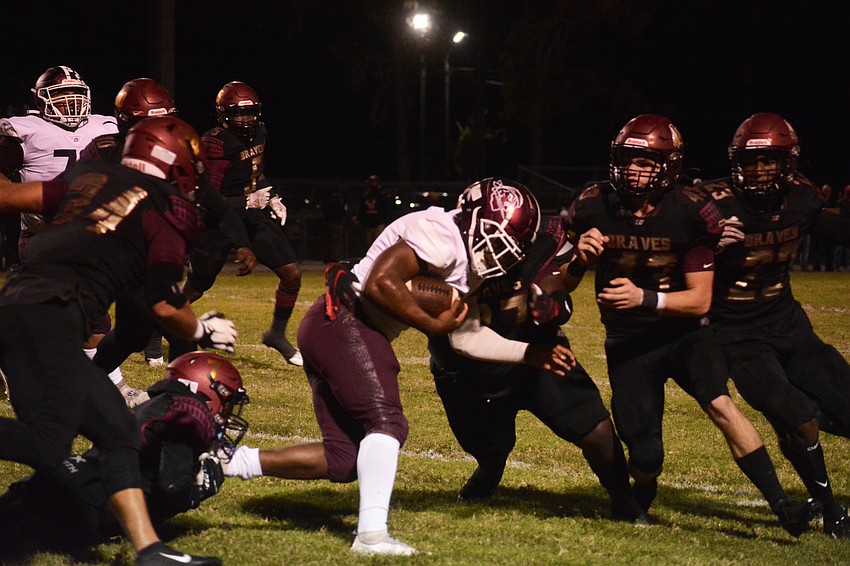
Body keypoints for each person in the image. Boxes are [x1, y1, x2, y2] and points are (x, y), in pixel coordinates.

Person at [223, 178, 571, 556]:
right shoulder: (442, 232)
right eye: (498, 238)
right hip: (345, 319)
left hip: (335, 328)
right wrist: (430, 324)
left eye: (510, 246)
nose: (500, 252)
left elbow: (465, 337)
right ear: (475, 218)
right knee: (387, 423)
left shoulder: (468, 259)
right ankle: (371, 536)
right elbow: (379, 282)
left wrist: (527, 353)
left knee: (345, 459)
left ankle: (226, 462)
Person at [555, 114, 815, 535]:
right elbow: (560, 285)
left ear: (669, 166)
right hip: (629, 343)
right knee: (646, 456)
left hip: (683, 335)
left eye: (645, 162)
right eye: (627, 159)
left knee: (721, 403)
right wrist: (577, 261)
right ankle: (642, 492)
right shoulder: (591, 205)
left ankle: (782, 505)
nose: (633, 170)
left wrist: (643, 298)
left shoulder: (691, 211)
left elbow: (699, 301)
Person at [0, 116, 238, 565]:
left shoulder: (90, 177)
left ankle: (149, 551)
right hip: (50, 314)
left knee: (109, 431)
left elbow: (8, 196)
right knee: (58, 442)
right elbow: (163, 304)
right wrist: (201, 330)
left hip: (19, 306)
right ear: (174, 162)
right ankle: (150, 551)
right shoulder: (166, 208)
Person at [428, 214, 647, 523]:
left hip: (540, 354)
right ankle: (489, 470)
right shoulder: (441, 245)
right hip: (470, 369)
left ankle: (625, 502)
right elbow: (461, 336)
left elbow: (557, 287)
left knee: (596, 432)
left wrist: (553, 307)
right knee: (489, 447)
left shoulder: (543, 239)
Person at [699, 112, 850, 538]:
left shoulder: (801, 196)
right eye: (751, 160)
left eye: (770, 160)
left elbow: (833, 229)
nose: (760, 169)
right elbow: (672, 252)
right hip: (736, 336)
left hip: (789, 326)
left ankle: (815, 417)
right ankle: (829, 507)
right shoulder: (710, 204)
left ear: (789, 162)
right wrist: (706, 244)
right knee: (796, 418)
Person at [79, 78, 256, 377]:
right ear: (126, 121)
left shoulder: (175, 150)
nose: (162, 128)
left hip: (147, 256)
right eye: (151, 121)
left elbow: (216, 204)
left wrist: (242, 244)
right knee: (179, 330)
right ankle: (179, 396)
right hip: (114, 256)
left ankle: (86, 383)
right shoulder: (107, 152)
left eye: (166, 119)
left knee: (131, 337)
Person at [0, 352, 248, 557]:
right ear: (204, 394)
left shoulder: (158, 405)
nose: (226, 414)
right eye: (226, 403)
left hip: (66, 480)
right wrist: (197, 492)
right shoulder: (185, 417)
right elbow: (171, 488)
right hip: (79, 506)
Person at [0, 66, 139, 402]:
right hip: (43, 236)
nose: (71, 103)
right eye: (61, 96)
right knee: (82, 313)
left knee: (77, 315)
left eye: (76, 95)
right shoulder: (24, 130)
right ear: (41, 100)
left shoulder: (104, 126)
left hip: (92, 235)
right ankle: (112, 386)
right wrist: (24, 199)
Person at [178, 81, 302, 366]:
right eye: (238, 114)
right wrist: (245, 202)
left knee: (292, 273)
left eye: (250, 112)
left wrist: (272, 195)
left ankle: (276, 334)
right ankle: (154, 330)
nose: (246, 120)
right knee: (196, 288)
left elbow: (256, 173)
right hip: (216, 221)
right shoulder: (216, 142)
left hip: (249, 214)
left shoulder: (260, 131)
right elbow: (208, 197)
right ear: (223, 115)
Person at [352, 174, 390, 248]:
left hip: (379, 221)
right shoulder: (366, 194)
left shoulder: (381, 193)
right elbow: (362, 207)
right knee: (369, 243)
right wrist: (359, 218)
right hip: (369, 222)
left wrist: (386, 218)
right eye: (371, 181)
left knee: (379, 242)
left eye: (374, 181)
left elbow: (386, 207)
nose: (373, 183)